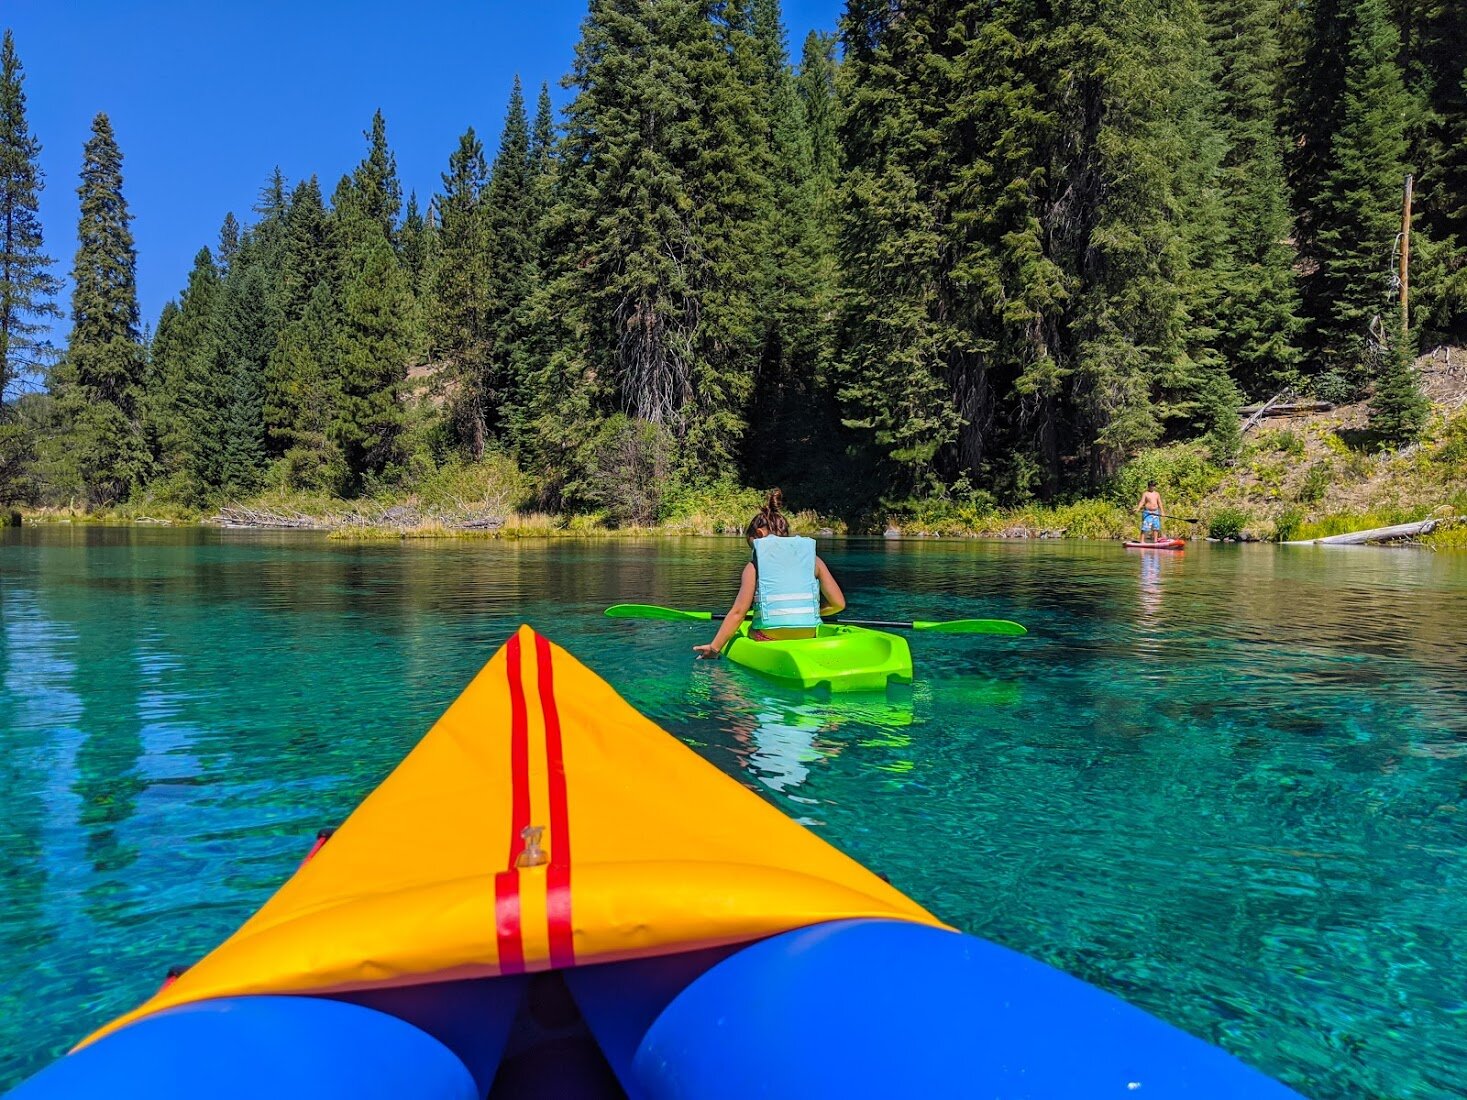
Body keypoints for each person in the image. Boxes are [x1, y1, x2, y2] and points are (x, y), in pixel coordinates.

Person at [693, 489, 845, 659]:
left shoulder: (754, 566)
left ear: (758, 534)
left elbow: (738, 613)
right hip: (808, 634)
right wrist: (814, 612)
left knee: (743, 632)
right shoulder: (813, 560)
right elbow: (838, 604)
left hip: (768, 637)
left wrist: (714, 648)